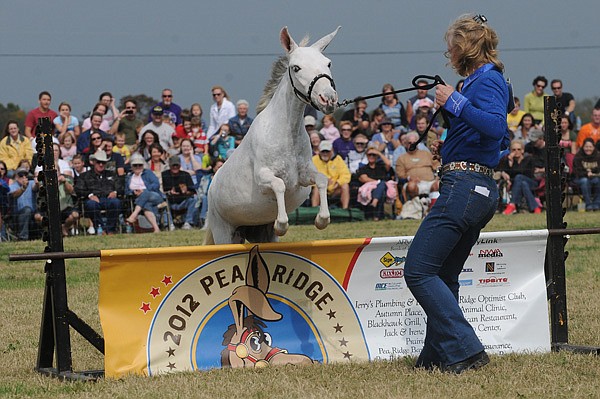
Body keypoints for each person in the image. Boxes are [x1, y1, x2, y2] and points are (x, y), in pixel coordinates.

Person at [404, 14, 511, 373]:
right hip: (473, 187)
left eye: (450, 44)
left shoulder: (487, 81)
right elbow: (502, 144)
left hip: (464, 190)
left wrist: (455, 103)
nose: (446, 51)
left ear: (464, 45)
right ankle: (435, 358)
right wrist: (454, 151)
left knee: (418, 269)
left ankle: (466, 350)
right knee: (444, 276)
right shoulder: (477, 82)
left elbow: (497, 128)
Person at [75, 149, 124, 234]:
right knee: (91, 204)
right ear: (94, 162)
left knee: (116, 202)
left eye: (103, 162)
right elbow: (78, 190)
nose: (101, 164)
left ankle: (110, 229)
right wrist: (89, 195)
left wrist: (115, 192)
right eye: (98, 162)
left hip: (109, 198)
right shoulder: (84, 176)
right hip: (93, 199)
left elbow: (121, 187)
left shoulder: (112, 174)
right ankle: (100, 228)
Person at [125, 154, 166, 233]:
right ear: (131, 166)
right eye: (135, 165)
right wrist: (134, 192)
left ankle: (134, 214)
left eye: (140, 165)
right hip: (139, 200)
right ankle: (156, 229)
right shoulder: (129, 176)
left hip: (154, 196)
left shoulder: (148, 173)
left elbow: (156, 184)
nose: (138, 167)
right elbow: (126, 191)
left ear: (143, 165)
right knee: (146, 205)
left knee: (145, 193)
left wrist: (144, 190)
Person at [499, 139, 542, 215]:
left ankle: (512, 205)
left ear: (522, 150)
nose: (516, 151)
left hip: (531, 182)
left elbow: (526, 173)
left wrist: (511, 166)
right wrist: (510, 163)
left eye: (519, 149)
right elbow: (503, 171)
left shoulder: (529, 159)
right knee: (523, 184)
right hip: (518, 184)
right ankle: (535, 207)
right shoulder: (508, 160)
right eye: (514, 150)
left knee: (519, 177)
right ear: (510, 151)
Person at [395, 131, 440, 201]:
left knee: (438, 184)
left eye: (414, 143)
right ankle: (416, 207)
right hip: (414, 184)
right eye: (409, 143)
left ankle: (433, 207)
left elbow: (437, 166)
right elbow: (400, 175)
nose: (412, 145)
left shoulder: (426, 154)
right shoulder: (401, 158)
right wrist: (409, 178)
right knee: (411, 186)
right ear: (406, 144)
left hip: (430, 182)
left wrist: (437, 177)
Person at [356, 144, 392, 220]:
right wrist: (377, 182)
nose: (371, 156)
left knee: (382, 188)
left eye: (374, 155)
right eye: (369, 155)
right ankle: (377, 216)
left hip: (381, 190)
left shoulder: (381, 167)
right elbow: (364, 178)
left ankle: (375, 207)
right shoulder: (363, 168)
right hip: (369, 191)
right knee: (381, 185)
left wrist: (378, 153)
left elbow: (388, 163)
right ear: (367, 156)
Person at [311, 140, 350, 209]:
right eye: (323, 151)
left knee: (345, 186)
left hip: (335, 188)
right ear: (319, 151)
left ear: (331, 151)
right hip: (320, 187)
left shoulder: (338, 159)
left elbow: (346, 175)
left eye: (327, 151)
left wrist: (338, 183)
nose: (325, 153)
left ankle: (345, 209)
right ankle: (314, 210)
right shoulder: (314, 160)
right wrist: (322, 182)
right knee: (316, 188)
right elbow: (310, 176)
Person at [162, 155, 198, 230]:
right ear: (170, 165)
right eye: (173, 165)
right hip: (170, 201)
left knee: (194, 200)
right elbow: (163, 190)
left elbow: (193, 191)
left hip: (183, 201)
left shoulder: (185, 175)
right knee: (163, 200)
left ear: (180, 165)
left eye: (177, 165)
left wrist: (186, 192)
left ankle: (188, 222)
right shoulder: (164, 175)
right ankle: (169, 224)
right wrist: (170, 192)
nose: (175, 167)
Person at [8, 167, 41, 240]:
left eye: (26, 175)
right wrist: (23, 188)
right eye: (21, 175)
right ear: (16, 177)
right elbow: (14, 195)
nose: (24, 177)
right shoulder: (12, 186)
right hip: (18, 216)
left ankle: (42, 237)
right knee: (27, 210)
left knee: (39, 215)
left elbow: (35, 188)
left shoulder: (31, 183)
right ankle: (23, 237)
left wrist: (37, 183)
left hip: (33, 214)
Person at [572, 138, 600, 211]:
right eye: (586, 147)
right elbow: (577, 170)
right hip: (579, 178)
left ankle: (596, 204)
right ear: (583, 147)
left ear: (593, 147)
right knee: (584, 181)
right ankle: (588, 205)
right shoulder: (578, 156)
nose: (588, 149)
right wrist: (587, 173)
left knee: (597, 180)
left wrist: (592, 171)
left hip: (594, 177)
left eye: (590, 147)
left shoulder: (598, 156)